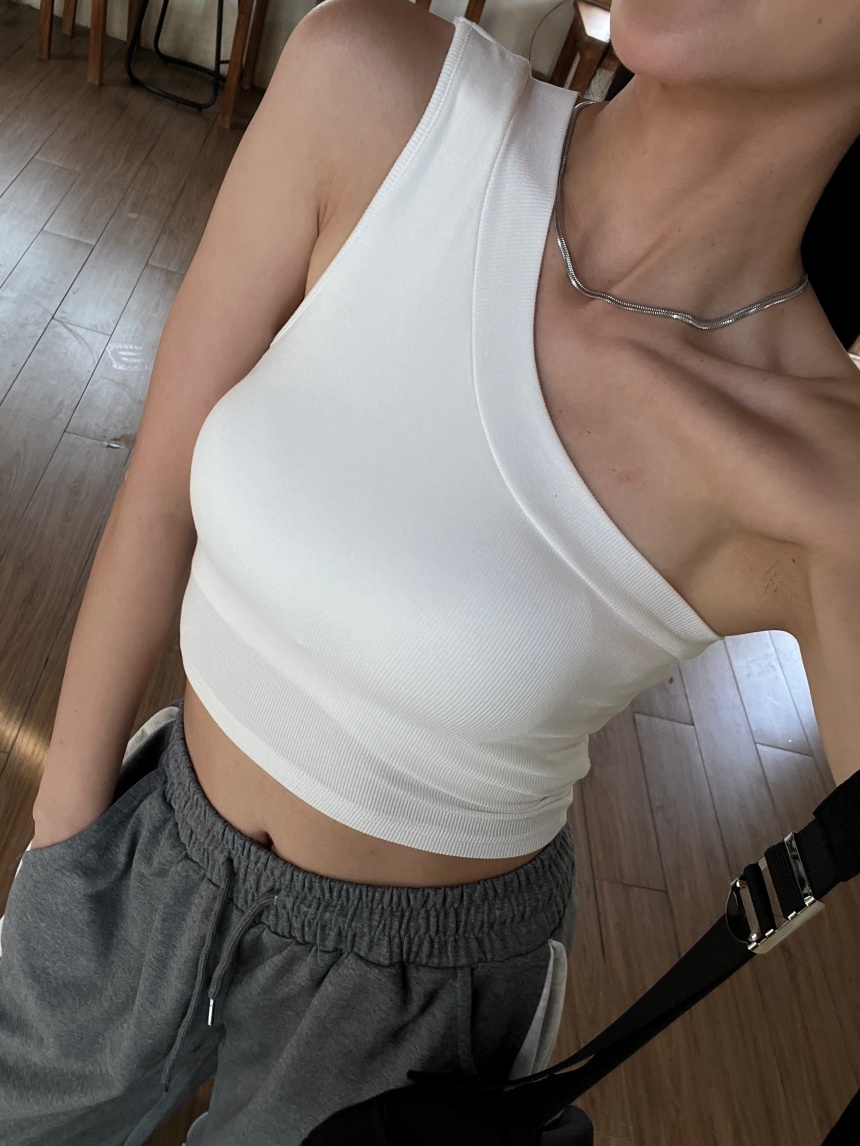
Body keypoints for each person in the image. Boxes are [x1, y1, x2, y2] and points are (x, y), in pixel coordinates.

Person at [0, 0, 857, 1143]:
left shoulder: (822, 485)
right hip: (155, 836)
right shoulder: (371, 88)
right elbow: (158, 495)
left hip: (411, 1014)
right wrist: (63, 838)